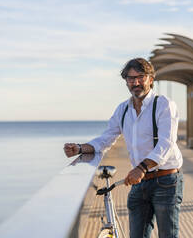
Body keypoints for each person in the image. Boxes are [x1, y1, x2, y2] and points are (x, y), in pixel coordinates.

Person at [64, 58, 183, 238]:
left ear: (151, 79)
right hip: (139, 183)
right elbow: (106, 138)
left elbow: (166, 143)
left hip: (165, 181)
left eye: (140, 77)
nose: (135, 82)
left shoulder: (163, 104)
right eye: (130, 78)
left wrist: (141, 168)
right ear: (126, 81)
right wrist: (80, 148)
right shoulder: (123, 109)